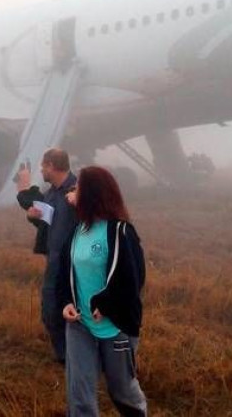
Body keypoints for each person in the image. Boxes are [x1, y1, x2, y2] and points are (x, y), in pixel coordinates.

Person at [59, 166, 147, 416]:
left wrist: (104, 304)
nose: (72, 191)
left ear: (91, 193)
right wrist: (66, 301)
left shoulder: (120, 232)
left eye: (78, 188)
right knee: (80, 396)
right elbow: (66, 273)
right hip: (79, 325)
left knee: (123, 392)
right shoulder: (77, 231)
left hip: (115, 326)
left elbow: (132, 280)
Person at [16, 148, 78, 363]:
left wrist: (81, 200)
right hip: (54, 260)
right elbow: (51, 223)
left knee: (71, 311)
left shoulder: (79, 189)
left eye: (43, 166)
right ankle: (65, 356)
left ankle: (75, 357)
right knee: (51, 311)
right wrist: (34, 217)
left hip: (73, 264)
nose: (41, 170)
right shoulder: (52, 193)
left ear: (51, 165)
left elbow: (98, 216)